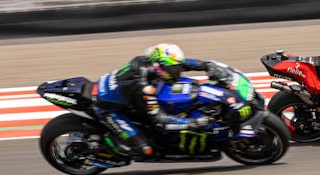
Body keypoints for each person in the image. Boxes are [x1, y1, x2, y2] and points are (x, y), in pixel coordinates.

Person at [94, 42, 228, 160]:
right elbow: (160, 121)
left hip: (123, 94)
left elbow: (179, 63)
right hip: (109, 109)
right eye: (172, 69)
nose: (177, 72)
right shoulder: (144, 87)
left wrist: (205, 66)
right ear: (158, 67)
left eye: (176, 68)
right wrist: (193, 122)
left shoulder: (149, 62)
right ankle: (107, 142)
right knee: (145, 150)